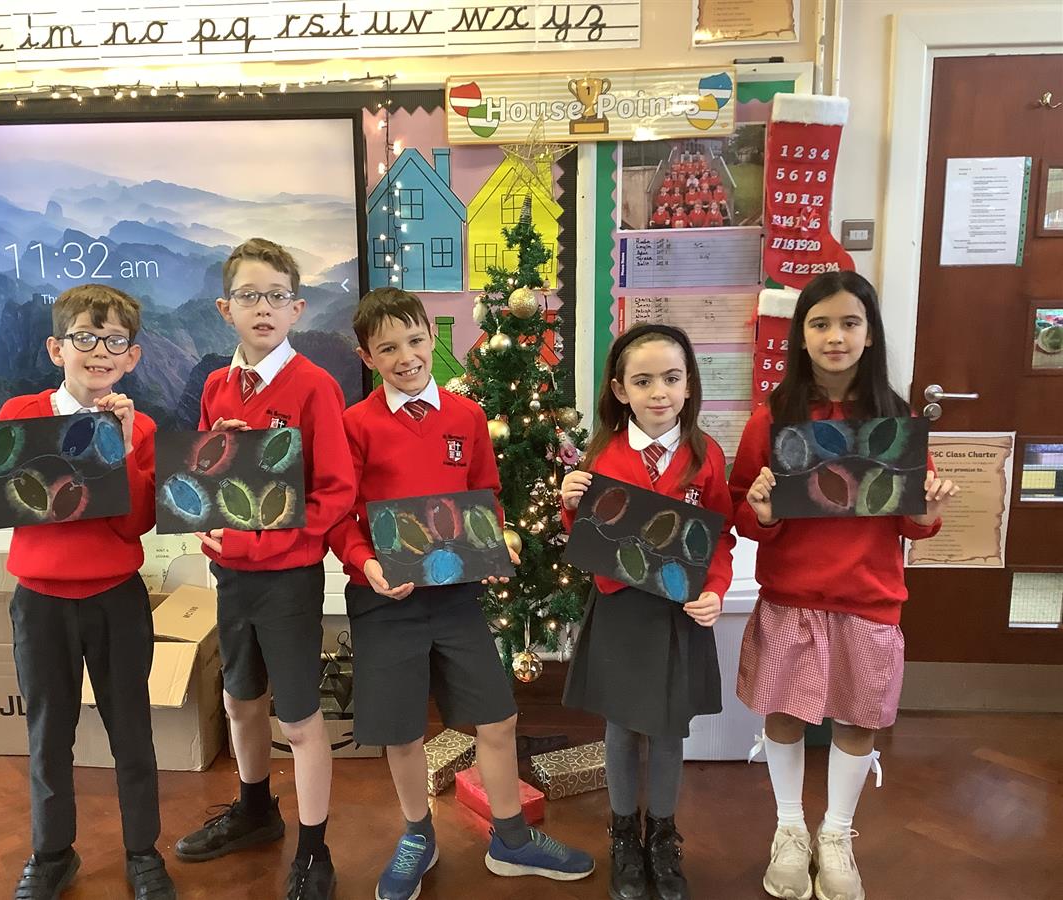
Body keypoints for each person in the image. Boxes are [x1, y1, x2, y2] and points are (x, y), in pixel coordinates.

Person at [328, 287, 594, 900]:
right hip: (385, 598)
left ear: (432, 338)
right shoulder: (354, 424)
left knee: (497, 717)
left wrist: (492, 545)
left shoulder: (467, 417)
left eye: (415, 341)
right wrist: (366, 563)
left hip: (454, 598)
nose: (406, 357)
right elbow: (340, 516)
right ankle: (418, 835)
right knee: (401, 731)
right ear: (367, 357)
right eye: (387, 349)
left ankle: (512, 839)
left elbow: (485, 495)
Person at [0, 284, 175, 900]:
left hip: (117, 599)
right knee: (48, 732)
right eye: (85, 338)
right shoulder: (21, 414)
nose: (99, 352)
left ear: (132, 356)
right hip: (40, 600)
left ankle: (142, 851)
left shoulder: (141, 425)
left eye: (115, 341)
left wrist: (125, 449)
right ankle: (52, 853)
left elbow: (136, 523)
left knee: (131, 730)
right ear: (56, 349)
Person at [729, 271, 958, 900]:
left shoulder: (896, 420)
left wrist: (929, 510)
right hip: (791, 597)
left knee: (858, 720)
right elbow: (743, 511)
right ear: (800, 336)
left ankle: (835, 834)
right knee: (784, 714)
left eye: (850, 323)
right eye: (820, 323)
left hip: (868, 597)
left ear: (870, 333)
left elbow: (913, 520)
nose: (835, 337)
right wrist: (763, 511)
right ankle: (789, 829)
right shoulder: (771, 420)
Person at [173, 238, 355, 900]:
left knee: (299, 720)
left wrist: (257, 543)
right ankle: (255, 811)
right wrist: (205, 520)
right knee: (238, 699)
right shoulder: (217, 385)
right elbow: (207, 478)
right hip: (231, 578)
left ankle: (314, 849)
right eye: (248, 295)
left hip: (288, 580)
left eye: (277, 296)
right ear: (226, 308)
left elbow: (334, 494)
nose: (263, 308)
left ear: (296, 308)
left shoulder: (315, 387)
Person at [560, 324, 735, 900]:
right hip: (621, 608)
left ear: (689, 385)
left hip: (678, 613)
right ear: (620, 389)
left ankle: (661, 835)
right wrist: (569, 505)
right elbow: (588, 535)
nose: (658, 392)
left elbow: (720, 537)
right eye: (643, 381)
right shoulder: (601, 455)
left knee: (666, 728)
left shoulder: (706, 456)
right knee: (620, 726)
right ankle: (622, 835)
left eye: (671, 378)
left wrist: (715, 589)